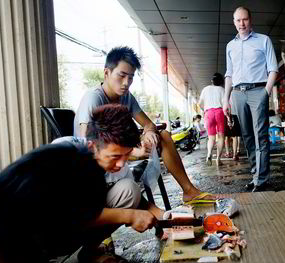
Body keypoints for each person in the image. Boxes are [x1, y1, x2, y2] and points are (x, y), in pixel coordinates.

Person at [0, 104, 162, 263]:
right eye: (115, 156)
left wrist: (161, 217)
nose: (122, 164)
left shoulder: (96, 169)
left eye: (126, 155)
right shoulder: (65, 159)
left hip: (40, 233)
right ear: (92, 146)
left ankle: (89, 253)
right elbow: (62, 214)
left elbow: (85, 212)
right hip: (6, 231)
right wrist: (128, 215)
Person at [74, 46, 215, 203]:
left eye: (131, 77)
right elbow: (88, 144)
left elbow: (148, 124)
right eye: (121, 76)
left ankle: (189, 191)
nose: (126, 83)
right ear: (106, 73)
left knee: (164, 136)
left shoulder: (126, 97)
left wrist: (148, 133)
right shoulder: (93, 98)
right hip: (103, 159)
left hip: (122, 151)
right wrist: (134, 151)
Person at [223, 6, 278, 192]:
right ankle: (256, 175)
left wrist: (266, 92)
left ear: (250, 20)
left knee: (260, 135)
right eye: (238, 20)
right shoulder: (230, 46)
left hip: (257, 91)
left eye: (245, 19)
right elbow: (229, 74)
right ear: (234, 22)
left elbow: (273, 69)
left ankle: (261, 180)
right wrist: (226, 99)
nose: (242, 23)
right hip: (237, 94)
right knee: (247, 137)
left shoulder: (263, 40)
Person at [198, 73, 226, 166]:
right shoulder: (222, 90)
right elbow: (225, 104)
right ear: (221, 82)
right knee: (221, 137)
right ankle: (218, 159)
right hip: (219, 112)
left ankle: (209, 153)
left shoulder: (205, 89)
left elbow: (200, 103)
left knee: (211, 138)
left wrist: (205, 110)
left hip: (208, 113)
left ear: (212, 81)